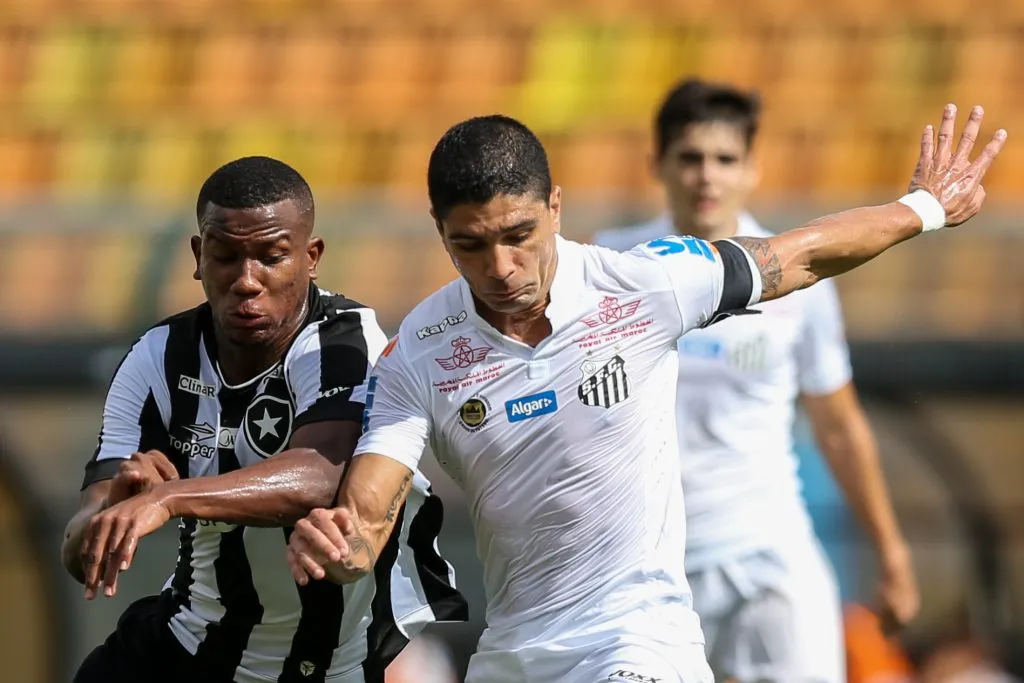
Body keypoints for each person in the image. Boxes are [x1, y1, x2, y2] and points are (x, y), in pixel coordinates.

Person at [285, 106, 1004, 683]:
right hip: (516, 650)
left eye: (519, 234)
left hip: (638, 637)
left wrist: (926, 207)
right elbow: (369, 514)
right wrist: (345, 547)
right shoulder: (421, 350)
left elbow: (802, 252)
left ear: (556, 207)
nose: (500, 267)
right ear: (441, 236)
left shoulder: (641, 284)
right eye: (471, 244)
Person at [61, 156, 468, 683]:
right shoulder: (156, 356)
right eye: (225, 256)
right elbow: (79, 550)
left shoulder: (345, 341)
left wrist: (168, 497)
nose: (247, 281)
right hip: (185, 643)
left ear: (311, 256)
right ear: (197, 255)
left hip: (323, 664)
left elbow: (320, 476)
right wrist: (109, 517)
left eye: (272, 257)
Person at [592, 78, 920, 682]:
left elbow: (838, 425)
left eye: (725, 159)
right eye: (689, 158)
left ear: (753, 169)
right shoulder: (613, 268)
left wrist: (892, 551)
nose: (706, 177)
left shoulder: (800, 279)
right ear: (656, 164)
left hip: (765, 551)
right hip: (646, 568)